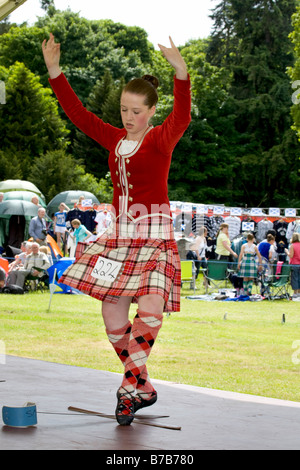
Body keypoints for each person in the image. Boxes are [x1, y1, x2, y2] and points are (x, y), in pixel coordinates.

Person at [42, 33, 191, 426]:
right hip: (120, 237)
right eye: (125, 109)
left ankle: (128, 388)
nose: (128, 116)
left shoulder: (161, 139)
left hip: (155, 234)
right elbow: (78, 115)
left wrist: (181, 73)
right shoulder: (114, 139)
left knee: (152, 305)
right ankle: (143, 385)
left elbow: (183, 116)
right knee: (112, 319)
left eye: (136, 110)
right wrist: (55, 71)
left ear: (152, 112)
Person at [285, 233, 300, 298]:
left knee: (294, 279)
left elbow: (291, 255)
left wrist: (287, 252)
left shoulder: (292, 246)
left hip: (295, 264)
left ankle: (295, 292)